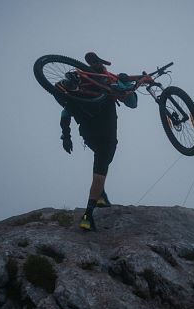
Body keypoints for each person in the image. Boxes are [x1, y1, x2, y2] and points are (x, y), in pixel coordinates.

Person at [55, 52, 137, 231]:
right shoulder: (107, 87)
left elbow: (65, 115)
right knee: (100, 172)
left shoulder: (77, 95)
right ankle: (88, 215)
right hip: (106, 138)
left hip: (89, 136)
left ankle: (101, 196)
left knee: (101, 165)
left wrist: (66, 136)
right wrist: (128, 85)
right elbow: (132, 102)